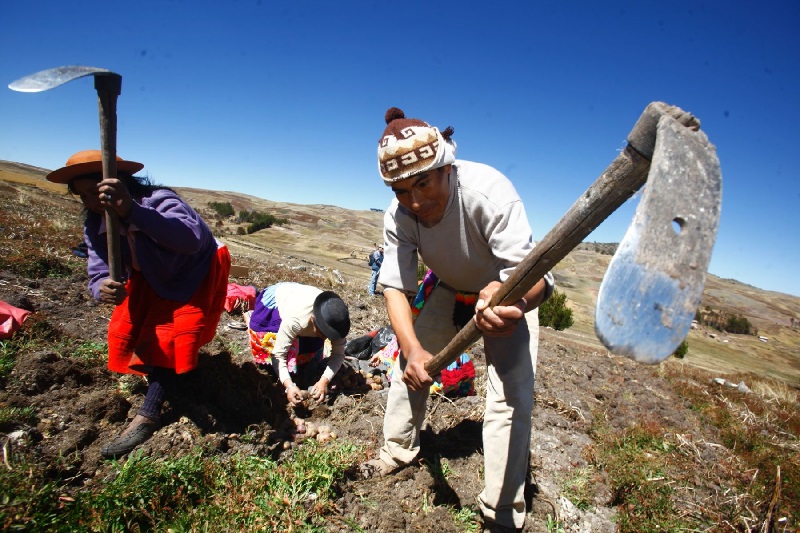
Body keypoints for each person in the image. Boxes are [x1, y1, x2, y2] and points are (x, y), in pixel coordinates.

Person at [361, 108, 555, 533]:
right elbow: (395, 286)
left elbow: (539, 280)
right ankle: (396, 452)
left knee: (508, 400)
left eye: (423, 183)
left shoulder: (489, 192)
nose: (415, 201)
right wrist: (411, 350)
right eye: (400, 190)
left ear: (445, 166)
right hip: (449, 288)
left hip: (505, 294)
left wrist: (514, 304)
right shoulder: (400, 217)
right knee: (408, 369)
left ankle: (501, 514)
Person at [46, 150, 231, 459]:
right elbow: (98, 268)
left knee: (171, 332)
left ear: (119, 184)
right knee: (131, 323)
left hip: (193, 269)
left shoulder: (158, 200)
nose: (92, 202)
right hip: (150, 273)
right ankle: (171, 375)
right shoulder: (95, 222)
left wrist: (130, 210)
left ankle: (150, 412)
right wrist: (102, 286)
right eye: (84, 196)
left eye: (96, 192)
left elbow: (190, 239)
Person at [246, 282, 350, 405]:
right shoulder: (296, 320)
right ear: (312, 320)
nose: (326, 337)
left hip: (300, 295)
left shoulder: (337, 322)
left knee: (311, 349)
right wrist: (289, 385)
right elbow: (278, 355)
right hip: (277, 300)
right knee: (267, 341)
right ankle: (249, 314)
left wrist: (324, 381)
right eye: (323, 333)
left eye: (329, 335)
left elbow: (338, 354)